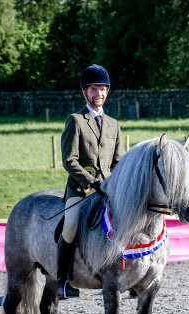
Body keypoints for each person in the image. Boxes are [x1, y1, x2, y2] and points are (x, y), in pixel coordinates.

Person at [57, 64, 125, 299]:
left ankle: (133, 277)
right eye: (94, 89)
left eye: (103, 89)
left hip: (108, 189)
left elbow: (119, 162)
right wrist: (91, 182)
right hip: (80, 189)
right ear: (85, 92)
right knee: (71, 225)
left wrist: (114, 183)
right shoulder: (75, 120)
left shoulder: (114, 124)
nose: (99, 94)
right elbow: (69, 160)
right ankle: (62, 280)